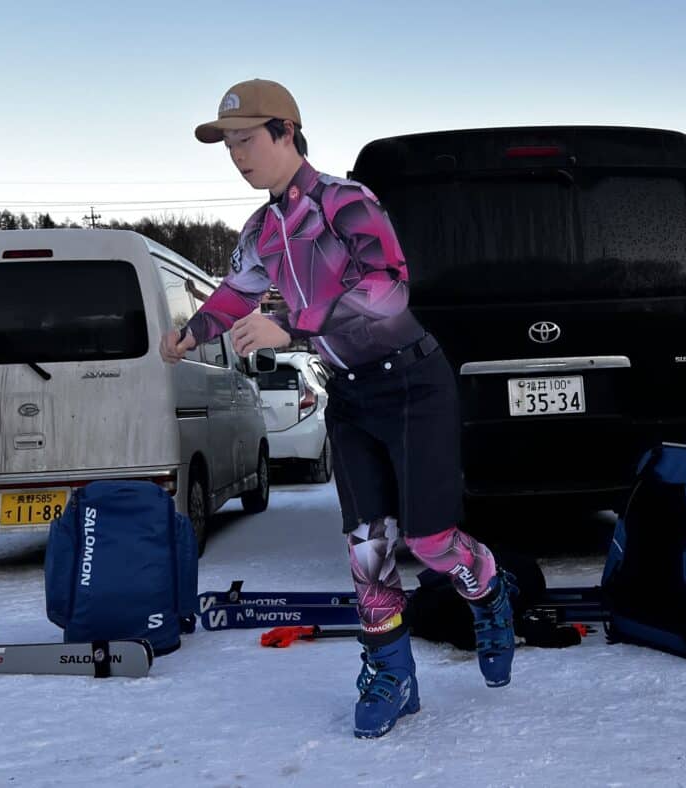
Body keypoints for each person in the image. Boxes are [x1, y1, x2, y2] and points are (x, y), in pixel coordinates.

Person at [162, 79, 515, 739]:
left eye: (246, 139)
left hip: (413, 386)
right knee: (367, 548)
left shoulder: (348, 203)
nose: (237, 155)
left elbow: (387, 291)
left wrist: (292, 327)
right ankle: (392, 671)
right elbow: (235, 295)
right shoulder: (261, 231)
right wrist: (193, 331)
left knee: (431, 541)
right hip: (351, 396)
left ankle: (489, 592)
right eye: (227, 144)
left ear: (287, 134)